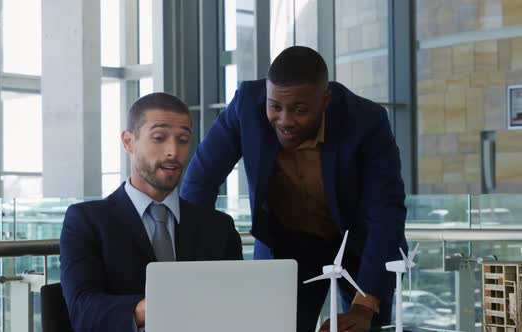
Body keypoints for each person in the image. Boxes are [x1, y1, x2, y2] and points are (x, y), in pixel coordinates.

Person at [180, 46, 407, 332]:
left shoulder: (366, 121)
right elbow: (200, 182)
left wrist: (364, 306)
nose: (285, 120)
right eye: (275, 107)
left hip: (357, 245)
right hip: (287, 242)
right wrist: (190, 267)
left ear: (325, 100)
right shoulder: (246, 106)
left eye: (300, 110)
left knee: (360, 326)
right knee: (276, 326)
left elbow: (386, 214)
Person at [59, 92, 243, 331]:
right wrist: (158, 306)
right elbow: (83, 311)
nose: (173, 151)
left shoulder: (219, 227)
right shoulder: (87, 221)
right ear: (128, 142)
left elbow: (236, 306)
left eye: (183, 139)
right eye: (159, 137)